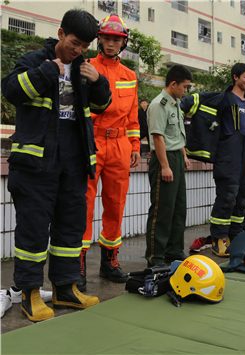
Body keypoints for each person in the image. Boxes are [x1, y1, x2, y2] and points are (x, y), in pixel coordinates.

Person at [1, 9, 109, 321]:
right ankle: (30, 293)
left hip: (74, 159)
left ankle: (65, 289)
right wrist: (48, 72)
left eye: (85, 46)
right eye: (75, 43)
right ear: (61, 33)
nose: (79, 50)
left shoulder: (85, 68)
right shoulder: (34, 61)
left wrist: (98, 82)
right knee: (33, 230)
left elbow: (101, 106)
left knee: (71, 226)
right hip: (35, 163)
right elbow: (10, 91)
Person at [80, 14, 141, 290]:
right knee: (84, 203)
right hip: (91, 142)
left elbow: (132, 118)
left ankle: (110, 262)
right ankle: (77, 264)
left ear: (123, 42)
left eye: (117, 39)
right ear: (99, 39)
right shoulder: (85, 66)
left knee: (115, 205)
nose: (111, 43)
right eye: (107, 38)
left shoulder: (130, 76)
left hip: (119, 146)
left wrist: (136, 146)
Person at [209, 63, 245, 257]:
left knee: (243, 195)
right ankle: (218, 239)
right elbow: (209, 120)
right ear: (235, 77)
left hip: (244, 155)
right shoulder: (224, 99)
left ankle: (235, 237)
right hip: (227, 154)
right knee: (227, 196)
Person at [145, 65, 192, 267]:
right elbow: (158, 137)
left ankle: (174, 252)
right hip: (164, 159)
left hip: (177, 157)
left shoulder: (175, 103)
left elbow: (176, 134)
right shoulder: (159, 105)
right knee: (162, 210)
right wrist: (165, 166)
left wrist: (184, 154)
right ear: (173, 84)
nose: (186, 91)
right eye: (185, 86)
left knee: (179, 209)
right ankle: (156, 257)